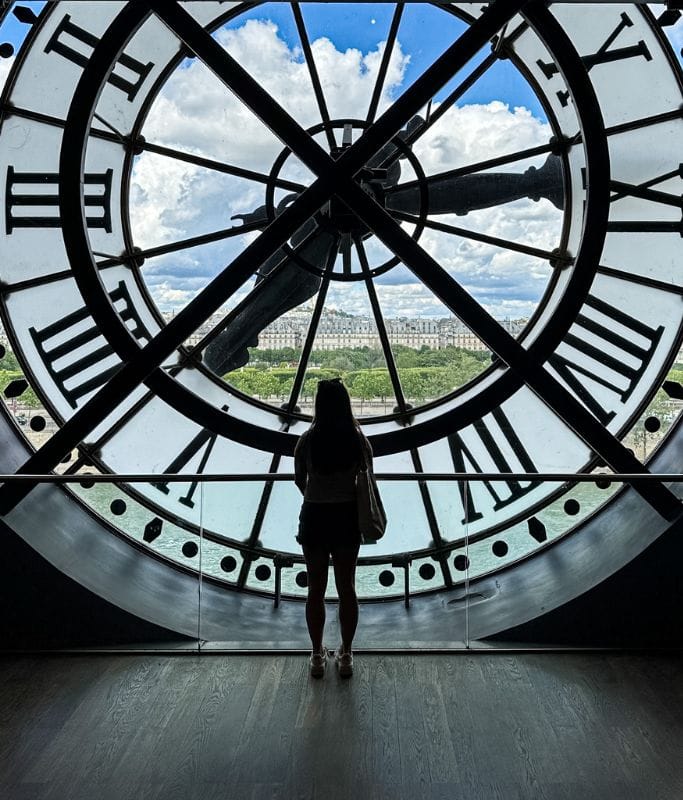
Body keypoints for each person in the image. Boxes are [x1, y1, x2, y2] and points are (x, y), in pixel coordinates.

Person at [294, 378, 372, 678]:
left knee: (315, 590)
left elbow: (299, 478)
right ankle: (347, 653)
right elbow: (367, 476)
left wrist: (315, 495)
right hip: (346, 517)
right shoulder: (357, 440)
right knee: (347, 589)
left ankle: (316, 653)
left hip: (315, 515)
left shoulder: (307, 440)